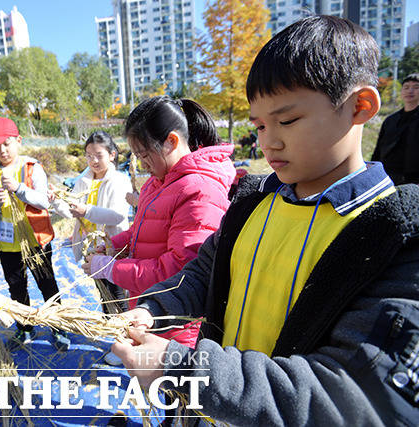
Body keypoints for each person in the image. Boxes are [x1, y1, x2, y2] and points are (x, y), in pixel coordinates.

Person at [112, 16, 419, 425]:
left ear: (359, 106)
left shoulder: (393, 237)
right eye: (259, 125)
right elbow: (203, 272)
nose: (268, 142)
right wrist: (153, 309)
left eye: (287, 121)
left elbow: (345, 393)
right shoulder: (252, 203)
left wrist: (180, 367)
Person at [83, 96, 235, 360]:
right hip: (152, 312)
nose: (142, 164)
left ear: (171, 142)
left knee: (178, 395)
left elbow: (180, 272)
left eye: (144, 154)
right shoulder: (159, 181)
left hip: (178, 328)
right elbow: (142, 229)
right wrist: (116, 244)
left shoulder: (199, 191)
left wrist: (110, 268)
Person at [0, 117, 70, 351]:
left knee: (47, 284)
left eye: (6, 143)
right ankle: (25, 327)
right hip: (8, 245)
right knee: (16, 288)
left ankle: (58, 326)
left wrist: (19, 189)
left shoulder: (31, 168)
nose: (2, 150)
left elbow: (44, 201)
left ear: (18, 141)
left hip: (36, 241)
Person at [49, 131, 131, 313]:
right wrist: (55, 201)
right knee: (103, 293)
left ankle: (126, 332)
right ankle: (110, 328)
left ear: (112, 155)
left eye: (99, 156)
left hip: (111, 247)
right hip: (91, 247)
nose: (93, 161)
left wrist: (86, 210)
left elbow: (118, 215)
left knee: (117, 293)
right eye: (89, 156)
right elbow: (72, 213)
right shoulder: (83, 181)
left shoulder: (119, 181)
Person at [371, 73, 419, 184]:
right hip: (387, 178)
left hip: (414, 181)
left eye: (416, 87)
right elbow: (378, 151)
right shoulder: (390, 120)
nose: (410, 91)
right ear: (401, 92)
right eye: (406, 87)